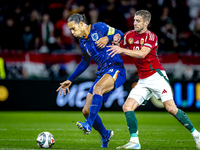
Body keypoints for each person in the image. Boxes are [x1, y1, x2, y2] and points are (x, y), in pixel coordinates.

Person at [107, 10, 200, 149]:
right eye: (134, 20)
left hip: (156, 76)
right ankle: (134, 142)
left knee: (171, 108)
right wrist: (115, 42)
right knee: (127, 107)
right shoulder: (128, 35)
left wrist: (122, 50)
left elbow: (142, 54)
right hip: (143, 79)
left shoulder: (151, 36)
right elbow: (119, 45)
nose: (135, 23)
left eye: (138, 21)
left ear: (146, 23)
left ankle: (196, 134)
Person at [56, 14, 126, 148]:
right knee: (85, 110)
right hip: (102, 73)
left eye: (74, 29)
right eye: (70, 30)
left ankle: (88, 124)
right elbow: (85, 62)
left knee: (97, 88)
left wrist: (108, 37)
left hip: (116, 68)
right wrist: (70, 79)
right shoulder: (82, 42)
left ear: (81, 24)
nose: (72, 32)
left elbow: (121, 34)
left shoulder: (99, 27)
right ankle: (105, 135)